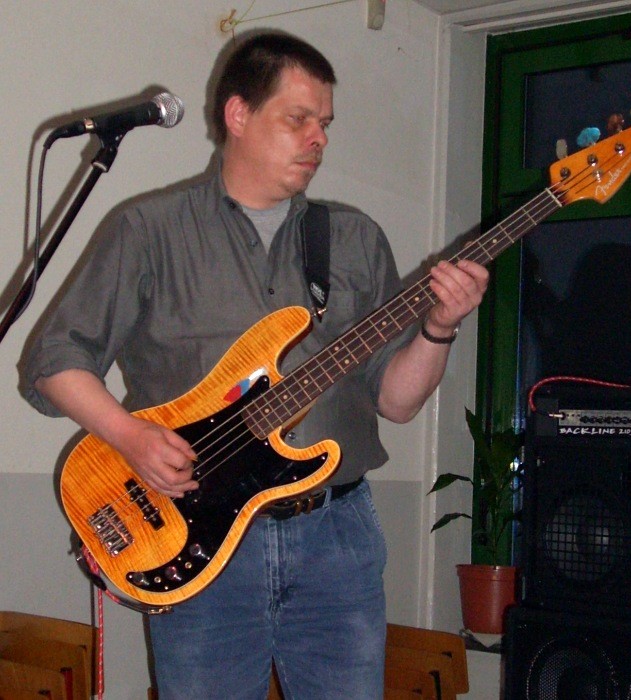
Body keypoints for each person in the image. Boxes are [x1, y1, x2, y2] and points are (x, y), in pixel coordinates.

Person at [21, 32, 489, 699]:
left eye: (325, 124)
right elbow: (53, 360)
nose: (318, 139)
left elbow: (397, 400)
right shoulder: (149, 229)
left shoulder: (353, 239)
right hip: (197, 537)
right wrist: (131, 437)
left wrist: (440, 327)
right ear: (238, 115)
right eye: (299, 119)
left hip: (337, 538)